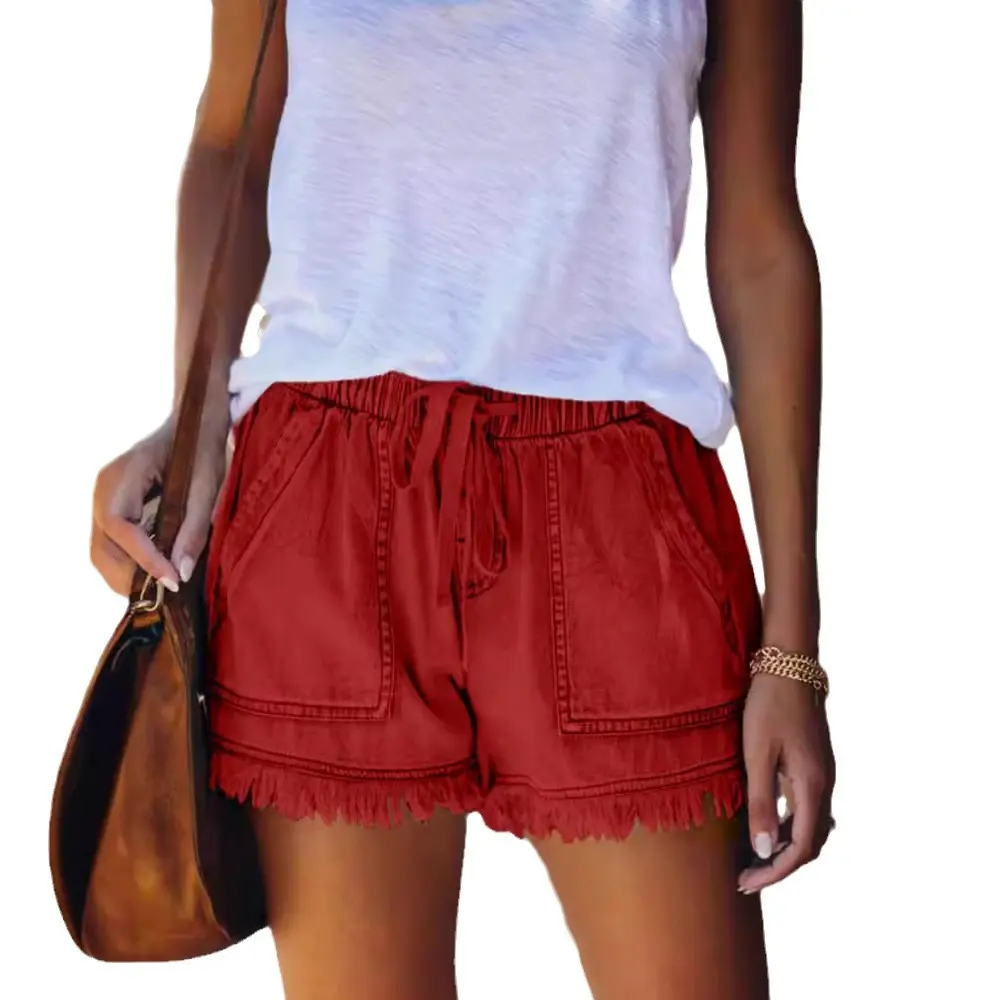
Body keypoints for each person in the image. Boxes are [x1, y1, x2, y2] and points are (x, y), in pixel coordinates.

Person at [90, 0, 835, 996]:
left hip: (617, 520)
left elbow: (759, 242)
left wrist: (792, 646)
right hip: (326, 507)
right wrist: (193, 428)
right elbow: (233, 146)